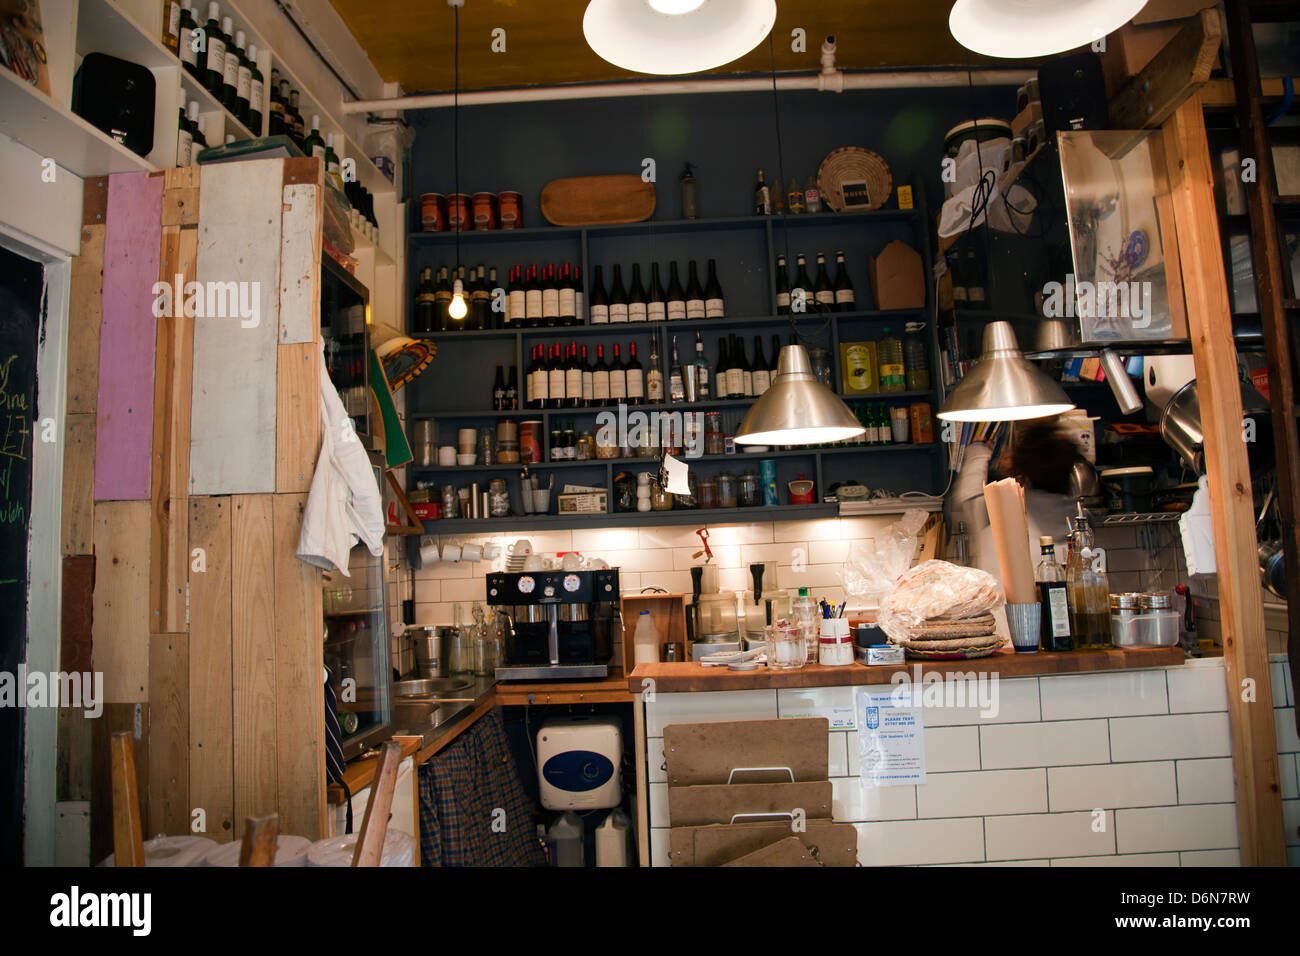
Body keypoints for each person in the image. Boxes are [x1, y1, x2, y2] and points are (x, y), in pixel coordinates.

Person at [950, 416, 1082, 580]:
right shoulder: (1076, 519)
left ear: (1022, 466)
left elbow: (967, 500)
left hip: (1007, 605)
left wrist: (978, 452)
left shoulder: (1001, 512)